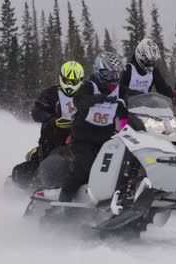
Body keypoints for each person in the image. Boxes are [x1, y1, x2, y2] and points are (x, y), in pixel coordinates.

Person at [58, 52, 126, 202]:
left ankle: (118, 197)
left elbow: (126, 112)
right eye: (110, 74)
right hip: (83, 139)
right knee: (83, 167)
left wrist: (128, 123)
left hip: (106, 140)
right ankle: (61, 204)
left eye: (117, 74)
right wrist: (98, 99)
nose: (114, 78)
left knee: (118, 167)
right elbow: (78, 101)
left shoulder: (120, 90)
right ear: (100, 72)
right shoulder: (89, 86)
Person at [11, 61, 84, 188]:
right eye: (67, 80)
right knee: (42, 167)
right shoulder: (50, 94)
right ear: (61, 78)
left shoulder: (86, 95)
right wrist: (53, 120)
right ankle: (32, 185)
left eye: (74, 81)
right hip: (52, 138)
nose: (70, 85)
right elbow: (37, 112)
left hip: (79, 138)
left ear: (80, 81)